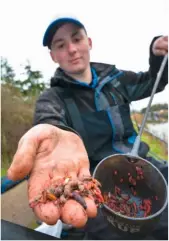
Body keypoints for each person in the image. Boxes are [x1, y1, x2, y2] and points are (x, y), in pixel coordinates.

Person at [7, 16, 168, 240]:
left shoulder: (117, 80)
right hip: (97, 183)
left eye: (76, 39)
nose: (72, 49)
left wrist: (158, 56)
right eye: (61, 45)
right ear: (53, 56)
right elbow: (49, 120)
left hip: (144, 166)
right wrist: (54, 132)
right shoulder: (52, 98)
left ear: (88, 42)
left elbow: (154, 82)